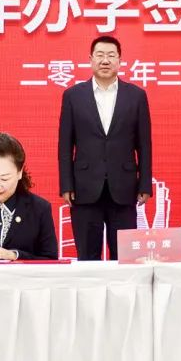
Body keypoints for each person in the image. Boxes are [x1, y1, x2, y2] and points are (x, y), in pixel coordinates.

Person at [58, 35, 152, 260]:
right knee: (87, 256)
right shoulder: (73, 96)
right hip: (84, 188)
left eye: (111, 55)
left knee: (124, 257)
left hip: (124, 187)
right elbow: (65, 144)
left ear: (120, 60)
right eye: (100, 55)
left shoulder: (136, 96)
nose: (105, 60)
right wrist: (66, 185)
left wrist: (145, 184)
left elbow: (144, 144)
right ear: (90, 59)